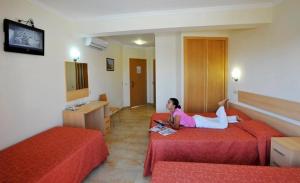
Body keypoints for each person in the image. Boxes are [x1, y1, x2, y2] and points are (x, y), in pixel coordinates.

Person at [165, 98, 239, 130]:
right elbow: (173, 121)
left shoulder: (177, 113)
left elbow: (176, 127)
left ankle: (221, 106)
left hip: (198, 122)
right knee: (215, 120)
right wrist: (169, 120)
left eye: (169, 102)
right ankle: (234, 118)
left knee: (222, 125)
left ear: (174, 105)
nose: (167, 104)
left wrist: (169, 123)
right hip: (196, 119)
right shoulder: (175, 110)